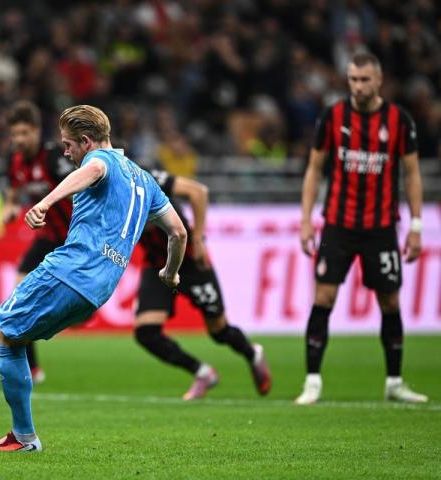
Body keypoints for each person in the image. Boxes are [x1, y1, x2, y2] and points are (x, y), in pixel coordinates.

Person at [0, 105, 187, 452]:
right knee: (7, 332)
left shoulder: (100, 160)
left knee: (6, 336)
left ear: (86, 141)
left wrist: (45, 203)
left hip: (69, 270)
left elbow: (95, 168)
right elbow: (179, 233)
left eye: (68, 145)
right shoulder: (146, 180)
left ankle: (23, 437)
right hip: (99, 289)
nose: (65, 152)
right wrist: (170, 272)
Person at [296, 52, 427, 405]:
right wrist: (306, 220)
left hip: (381, 227)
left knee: (390, 300)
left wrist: (416, 225)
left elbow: (412, 174)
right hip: (338, 225)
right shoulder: (333, 117)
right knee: (324, 297)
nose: (358, 86)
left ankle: (394, 382)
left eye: (365, 79)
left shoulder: (399, 120)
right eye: (353, 79)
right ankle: (312, 382)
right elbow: (314, 169)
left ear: (379, 80)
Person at [136, 169, 271, 400]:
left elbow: (198, 192)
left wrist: (198, 239)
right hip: (157, 264)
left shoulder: (142, 176)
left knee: (219, 331)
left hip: (190, 260)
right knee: (146, 332)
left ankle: (252, 353)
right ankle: (202, 373)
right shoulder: (103, 186)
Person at [2, 100, 75, 384]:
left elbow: (77, 190)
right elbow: (12, 193)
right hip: (46, 238)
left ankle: (78, 314)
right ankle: (32, 367)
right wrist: (9, 208)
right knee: (19, 295)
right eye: (15, 134)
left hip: (72, 237)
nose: (19, 140)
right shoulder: (15, 160)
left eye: (24, 133)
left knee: (66, 299)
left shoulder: (54, 156)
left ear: (36, 131)